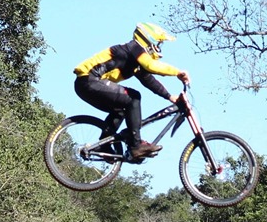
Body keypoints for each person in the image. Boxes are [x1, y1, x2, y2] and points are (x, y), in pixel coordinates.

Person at [73, 22, 190, 160]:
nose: (159, 48)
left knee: (122, 109)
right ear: (149, 40)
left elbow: (149, 80)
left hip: (85, 85)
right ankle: (136, 146)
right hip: (89, 80)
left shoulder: (135, 61)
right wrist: (177, 72)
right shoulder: (134, 48)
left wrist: (170, 97)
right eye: (159, 43)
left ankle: (103, 144)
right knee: (133, 97)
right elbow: (151, 65)